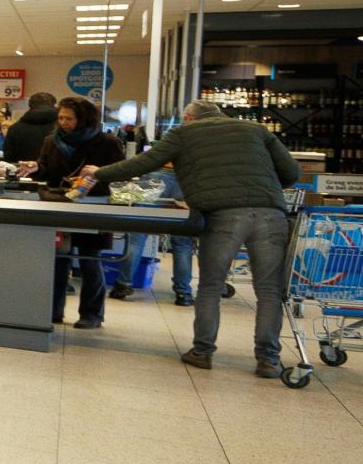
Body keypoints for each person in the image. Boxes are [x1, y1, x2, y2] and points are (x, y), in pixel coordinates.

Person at [74, 97, 301, 376]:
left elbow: (144, 164)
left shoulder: (184, 133)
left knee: (210, 286)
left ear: (190, 118)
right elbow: (292, 173)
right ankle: (269, 359)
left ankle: (203, 351)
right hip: (270, 214)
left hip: (223, 215)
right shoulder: (256, 130)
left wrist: (100, 172)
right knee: (269, 290)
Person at [29, 96, 123, 330]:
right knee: (59, 260)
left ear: (82, 119)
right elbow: (46, 170)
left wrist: (100, 173)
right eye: (60, 117)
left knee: (91, 261)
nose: (63, 122)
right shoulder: (52, 141)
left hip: (94, 208)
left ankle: (92, 314)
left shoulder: (107, 143)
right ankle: (53, 311)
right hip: (61, 206)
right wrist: (35, 168)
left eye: (68, 118)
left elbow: (120, 174)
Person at [107, 166, 196, 307]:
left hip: (157, 176)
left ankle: (122, 286)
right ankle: (183, 293)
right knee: (182, 243)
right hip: (187, 178)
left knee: (137, 237)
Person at [0, 90, 57, 163]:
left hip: (22, 172)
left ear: (30, 107)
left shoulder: (14, 128)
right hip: (58, 174)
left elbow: (8, 158)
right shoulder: (62, 127)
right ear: (54, 106)